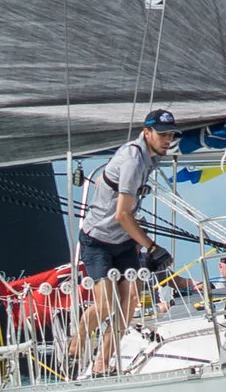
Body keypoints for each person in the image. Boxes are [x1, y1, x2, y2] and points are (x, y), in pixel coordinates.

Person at [77, 107, 180, 358]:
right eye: (162, 134)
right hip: (98, 240)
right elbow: (122, 215)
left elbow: (106, 181)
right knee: (105, 305)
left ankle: (102, 365)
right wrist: (152, 247)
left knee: (129, 303)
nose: (168, 140)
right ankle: (75, 346)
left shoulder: (150, 155)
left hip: (122, 241)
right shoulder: (134, 161)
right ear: (147, 133)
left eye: (171, 135)